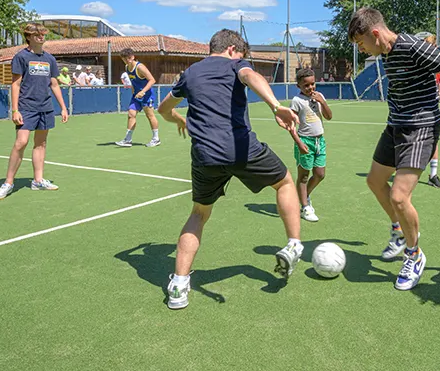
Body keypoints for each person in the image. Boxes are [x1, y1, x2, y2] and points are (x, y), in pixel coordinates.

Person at [157, 29, 303, 309]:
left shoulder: (190, 73)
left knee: (199, 214)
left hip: (204, 155)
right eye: (243, 55)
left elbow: (164, 109)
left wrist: (177, 118)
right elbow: (251, 76)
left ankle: (178, 285)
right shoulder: (237, 65)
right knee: (285, 182)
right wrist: (276, 106)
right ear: (233, 49)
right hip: (240, 149)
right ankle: (294, 244)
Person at [348, 7, 440, 291]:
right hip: (396, 125)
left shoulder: (414, 47)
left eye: (361, 44)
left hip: (421, 127)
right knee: (375, 181)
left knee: (399, 197)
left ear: (375, 33)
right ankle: (399, 230)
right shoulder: (385, 53)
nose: (362, 50)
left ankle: (414, 254)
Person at [0, 23, 69, 200]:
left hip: (45, 107)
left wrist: (64, 107)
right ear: (29, 37)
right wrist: (15, 110)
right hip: (26, 107)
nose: (41, 37)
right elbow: (16, 84)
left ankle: (38, 180)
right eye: (37, 35)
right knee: (21, 142)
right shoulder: (21, 57)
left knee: (41, 143)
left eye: (43, 34)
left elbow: (55, 84)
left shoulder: (50, 59)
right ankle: (8, 183)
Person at [289, 67, 332, 222]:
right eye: (306, 85)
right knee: (304, 176)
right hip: (305, 141)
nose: (310, 88)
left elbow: (329, 116)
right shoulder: (297, 101)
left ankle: (303, 197)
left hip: (320, 141)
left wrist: (322, 101)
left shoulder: (319, 96)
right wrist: (299, 143)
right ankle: (305, 207)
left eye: (312, 84)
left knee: (320, 174)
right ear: (299, 85)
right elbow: (291, 125)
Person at [115, 49, 160, 147]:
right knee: (131, 114)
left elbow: (152, 80)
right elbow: (133, 82)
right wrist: (134, 93)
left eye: (128, 58)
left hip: (147, 96)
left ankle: (156, 139)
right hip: (135, 96)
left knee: (150, 116)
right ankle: (128, 139)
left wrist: (142, 92)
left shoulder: (140, 67)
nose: (127, 61)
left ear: (133, 57)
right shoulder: (127, 67)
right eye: (124, 59)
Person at [424, 34, 440, 189]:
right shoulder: (416, 63)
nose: (431, 49)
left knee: (434, 140)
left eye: (433, 47)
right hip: (416, 109)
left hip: (433, 107)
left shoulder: (437, 65)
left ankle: (433, 175)